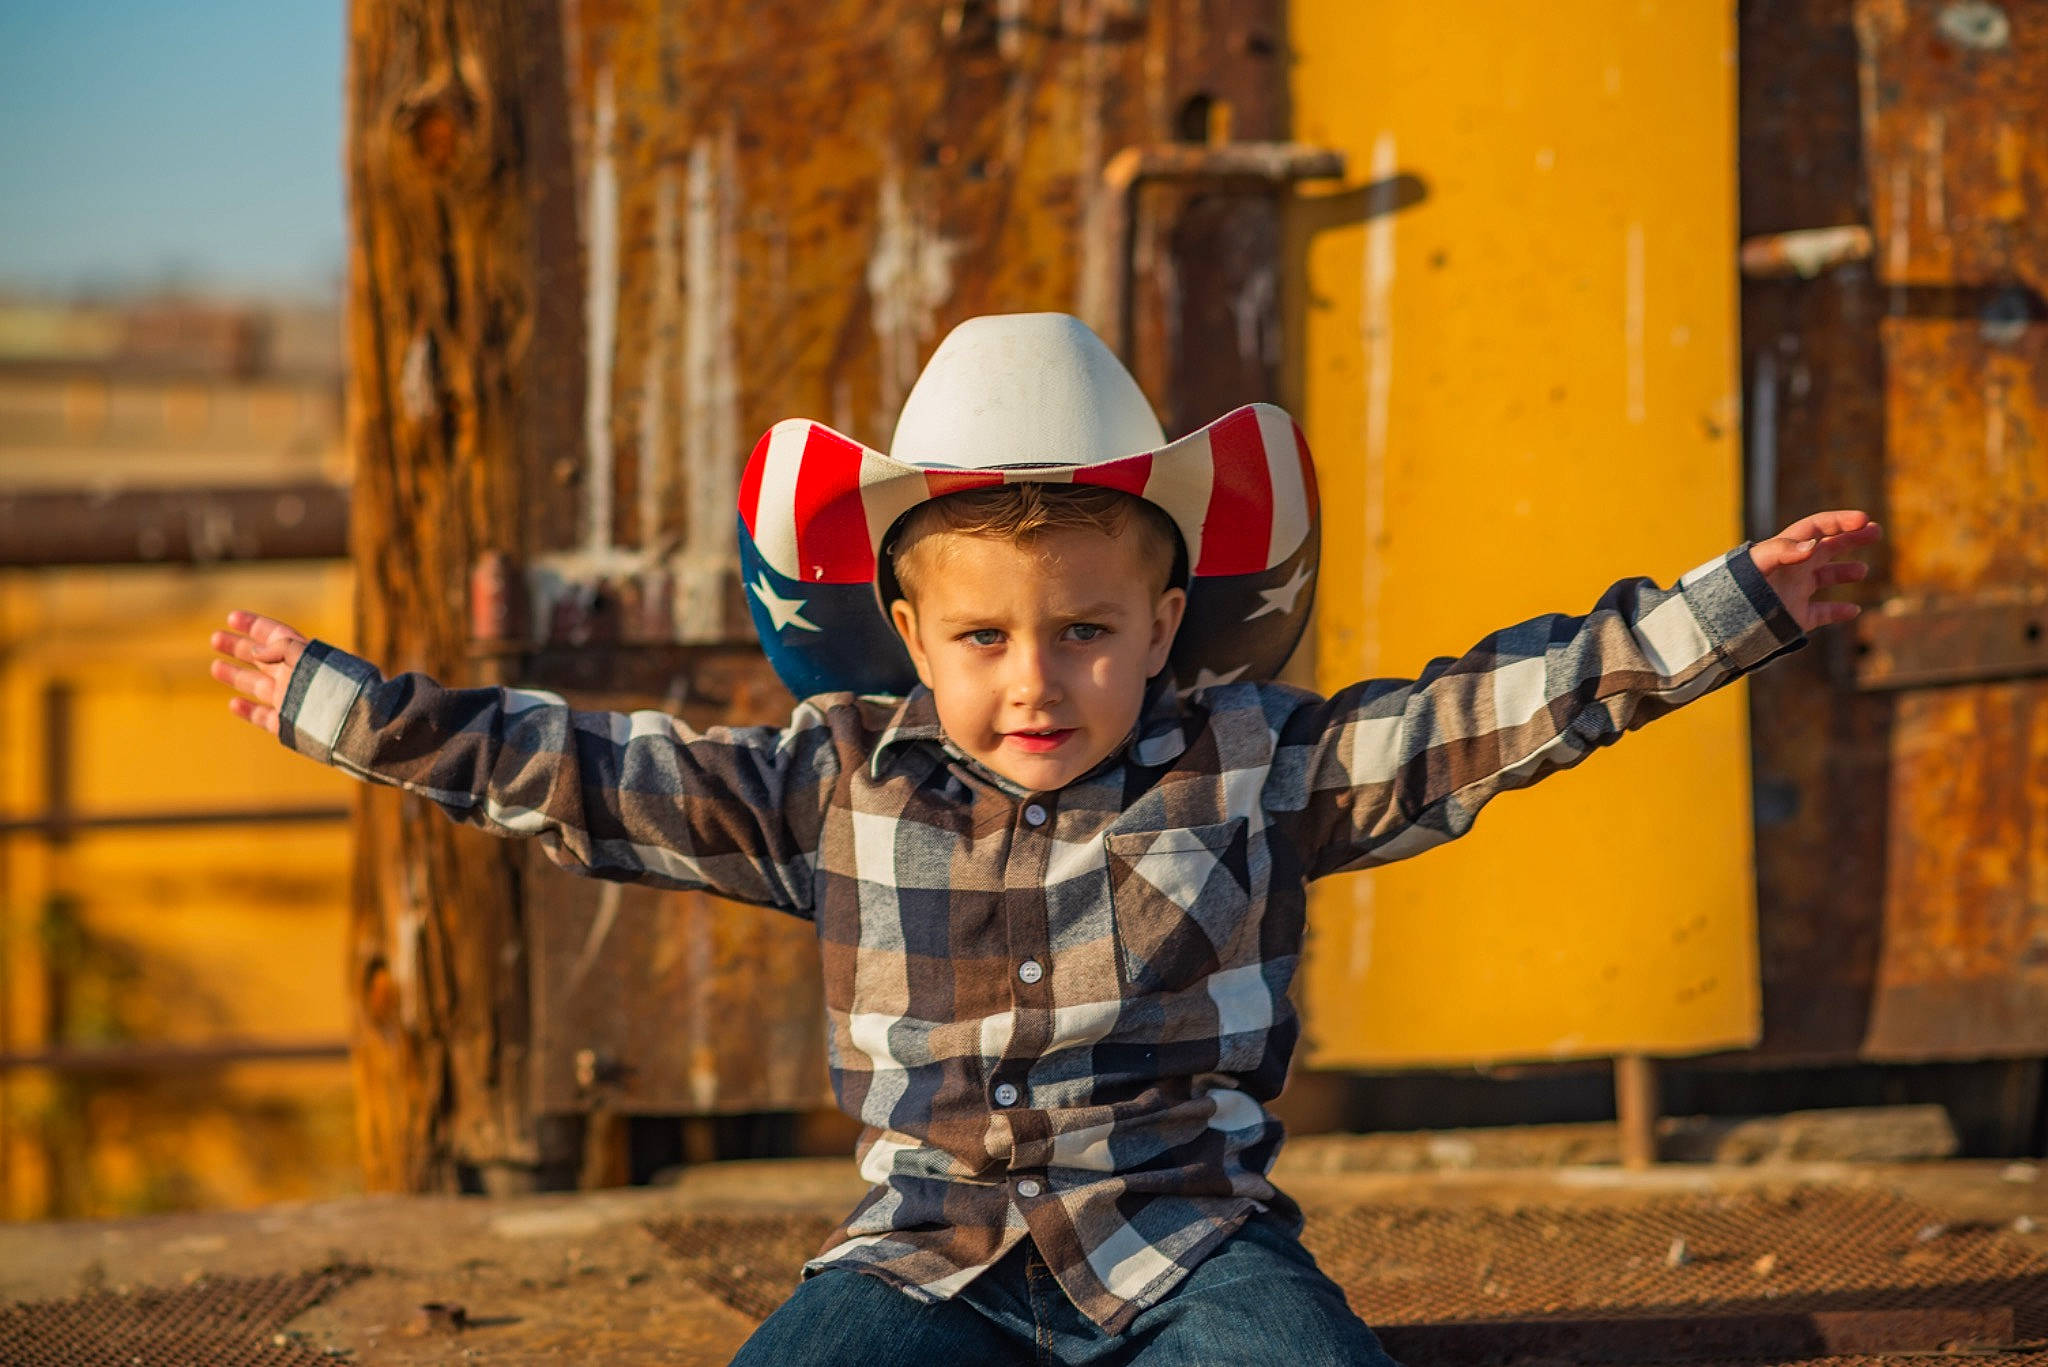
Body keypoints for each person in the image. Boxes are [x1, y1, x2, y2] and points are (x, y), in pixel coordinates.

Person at [210, 313, 1880, 1365]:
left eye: (1085, 631)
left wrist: (1731, 611)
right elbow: (577, 769)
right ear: (908, 637)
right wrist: (348, 708)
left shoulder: (1252, 767)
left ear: (1167, 624)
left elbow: (1491, 713)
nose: (1036, 681)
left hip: (1190, 1245)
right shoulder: (829, 785)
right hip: (920, 1252)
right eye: (986, 639)